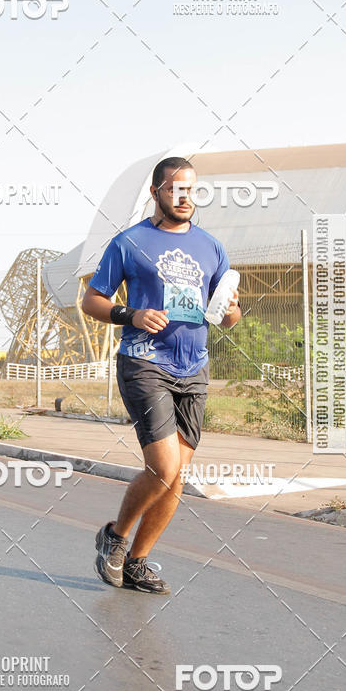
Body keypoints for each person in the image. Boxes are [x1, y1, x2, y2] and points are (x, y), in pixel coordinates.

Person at [81, 157, 241, 594]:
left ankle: (137, 561)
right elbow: (91, 300)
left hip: (194, 368)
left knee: (177, 478)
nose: (184, 197)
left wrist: (229, 312)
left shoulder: (212, 247)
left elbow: (228, 317)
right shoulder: (130, 243)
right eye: (175, 190)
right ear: (156, 194)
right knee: (163, 467)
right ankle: (115, 535)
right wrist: (131, 314)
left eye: (190, 190)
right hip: (145, 362)